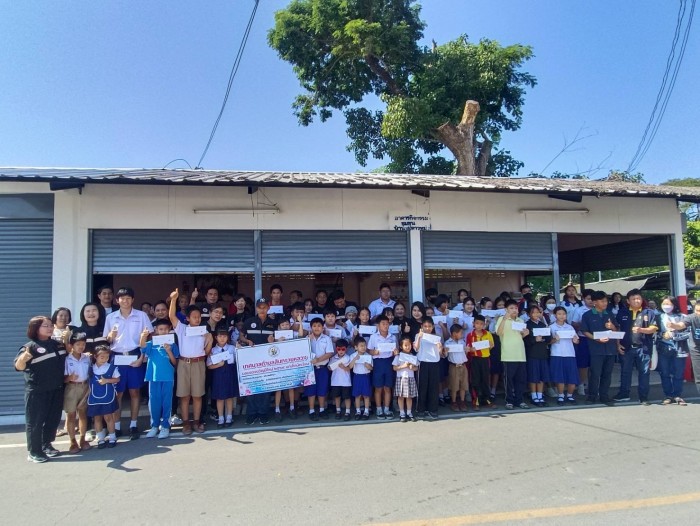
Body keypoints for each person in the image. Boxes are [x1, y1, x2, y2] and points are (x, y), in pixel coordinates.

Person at [103, 286, 153, 440]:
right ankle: (117, 426)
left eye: (128, 298)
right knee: (117, 393)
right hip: (117, 357)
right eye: (122, 298)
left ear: (133, 300)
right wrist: (110, 337)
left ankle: (133, 425)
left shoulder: (141, 315)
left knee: (134, 392)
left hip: (134, 356)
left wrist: (141, 358)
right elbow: (107, 341)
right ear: (117, 300)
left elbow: (148, 338)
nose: (125, 301)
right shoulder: (111, 317)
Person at [15, 316, 66, 463]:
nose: (50, 328)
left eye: (51, 325)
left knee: (52, 419)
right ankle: (34, 451)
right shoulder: (30, 347)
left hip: (56, 388)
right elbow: (19, 367)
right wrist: (23, 358)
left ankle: (46, 445)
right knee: (35, 422)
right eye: (45, 326)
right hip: (37, 391)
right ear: (36, 328)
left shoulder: (58, 345)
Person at [169, 288, 213, 434]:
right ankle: (186, 423)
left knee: (197, 395)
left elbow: (207, 352)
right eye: (194, 317)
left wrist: (210, 340)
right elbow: (172, 316)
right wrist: (173, 299)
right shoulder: (181, 328)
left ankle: (197, 421)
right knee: (184, 396)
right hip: (183, 364)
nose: (197, 319)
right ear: (187, 318)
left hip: (199, 363)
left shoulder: (204, 331)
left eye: (199, 317)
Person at [613, 289, 658, 405]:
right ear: (628, 301)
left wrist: (641, 330)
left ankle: (643, 397)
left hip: (643, 347)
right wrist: (617, 344)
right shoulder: (622, 312)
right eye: (633, 299)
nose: (636, 301)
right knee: (625, 372)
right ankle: (624, 394)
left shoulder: (649, 312)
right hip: (626, 347)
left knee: (644, 372)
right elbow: (617, 329)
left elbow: (653, 328)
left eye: (638, 298)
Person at [140, 319, 180, 438]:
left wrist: (169, 351)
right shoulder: (151, 343)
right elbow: (142, 347)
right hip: (153, 377)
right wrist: (143, 336)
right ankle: (154, 426)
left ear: (169, 330)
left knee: (166, 402)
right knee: (154, 402)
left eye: (166, 329)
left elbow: (175, 362)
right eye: (161, 329)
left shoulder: (172, 344)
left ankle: (165, 426)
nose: (163, 331)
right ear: (156, 330)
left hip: (168, 377)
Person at [240, 298, 278, 424]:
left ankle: (263, 413)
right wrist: (247, 341)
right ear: (256, 308)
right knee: (251, 387)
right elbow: (241, 335)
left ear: (268, 308)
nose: (262, 309)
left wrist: (274, 340)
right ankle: (252, 413)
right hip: (251, 360)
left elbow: (279, 339)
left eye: (264, 307)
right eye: (259, 307)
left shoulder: (273, 323)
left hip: (267, 360)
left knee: (265, 387)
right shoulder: (249, 321)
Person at [580, 291, 618, 406]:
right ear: (594, 302)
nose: (605, 303)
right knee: (595, 374)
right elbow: (584, 331)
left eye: (606, 301)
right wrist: (596, 338)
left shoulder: (609, 314)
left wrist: (612, 327)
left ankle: (604, 396)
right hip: (596, 349)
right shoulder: (587, 315)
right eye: (602, 301)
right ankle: (592, 396)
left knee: (607, 374)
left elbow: (616, 330)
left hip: (610, 348)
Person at [655, 296, 690, 406]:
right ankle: (668, 395)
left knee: (678, 373)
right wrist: (662, 335)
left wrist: (674, 335)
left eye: (668, 304)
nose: (666, 306)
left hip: (679, 349)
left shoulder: (683, 317)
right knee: (664, 373)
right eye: (664, 304)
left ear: (674, 305)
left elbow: (688, 333)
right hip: (663, 349)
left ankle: (677, 395)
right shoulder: (658, 317)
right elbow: (655, 332)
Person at [496, 299, 530, 410]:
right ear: (506, 310)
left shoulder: (520, 320)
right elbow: (498, 332)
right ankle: (509, 401)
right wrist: (504, 319)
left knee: (521, 380)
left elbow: (521, 335)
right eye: (511, 308)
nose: (514, 310)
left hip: (520, 354)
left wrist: (525, 334)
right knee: (509, 380)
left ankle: (519, 400)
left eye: (515, 308)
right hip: (508, 354)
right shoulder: (501, 319)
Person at [86, 345, 120, 449]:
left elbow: (117, 379)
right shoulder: (90, 368)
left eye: (107, 357)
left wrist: (107, 381)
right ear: (95, 357)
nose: (105, 359)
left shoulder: (111, 367)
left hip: (108, 397)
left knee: (108, 417)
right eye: (102, 357)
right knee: (97, 418)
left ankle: (112, 437)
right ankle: (100, 439)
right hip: (94, 397)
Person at [63, 331, 91, 453]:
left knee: (83, 414)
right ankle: (72, 441)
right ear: (71, 345)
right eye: (78, 344)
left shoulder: (87, 358)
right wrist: (69, 378)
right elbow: (63, 378)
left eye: (83, 344)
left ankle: (83, 439)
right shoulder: (66, 359)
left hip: (84, 387)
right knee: (71, 415)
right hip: (71, 388)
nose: (81, 347)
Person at [414, 317, 445, 419]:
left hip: (434, 363)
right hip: (423, 363)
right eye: (425, 326)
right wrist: (419, 337)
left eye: (429, 326)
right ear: (422, 326)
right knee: (422, 387)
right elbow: (416, 348)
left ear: (433, 327)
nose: (427, 328)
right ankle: (421, 409)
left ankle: (433, 409)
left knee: (433, 387)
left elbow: (440, 353)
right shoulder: (418, 335)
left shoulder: (437, 337)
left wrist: (440, 347)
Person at [368, 314, 398, 419]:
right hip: (378, 363)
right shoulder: (373, 337)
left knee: (388, 387)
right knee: (378, 388)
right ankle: (379, 409)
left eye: (387, 324)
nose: (385, 326)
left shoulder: (392, 337)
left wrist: (395, 352)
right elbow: (369, 350)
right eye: (383, 324)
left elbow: (396, 351)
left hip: (389, 362)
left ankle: (387, 409)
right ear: (378, 325)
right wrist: (374, 352)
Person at [667, 301, 700, 396]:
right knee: (699, 376)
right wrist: (673, 325)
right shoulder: (691, 317)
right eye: (697, 310)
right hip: (696, 349)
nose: (699, 313)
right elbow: (681, 325)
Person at [549, 306, 580, 405]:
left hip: (570, 354)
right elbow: (548, 342)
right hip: (557, 354)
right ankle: (561, 395)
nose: (562, 316)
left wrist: (576, 340)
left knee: (572, 376)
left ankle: (570, 395)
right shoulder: (551, 327)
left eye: (563, 314)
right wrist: (554, 339)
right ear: (555, 315)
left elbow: (577, 340)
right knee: (559, 376)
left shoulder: (570, 327)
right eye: (559, 314)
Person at [207, 328, 237, 428]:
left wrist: (240, 349)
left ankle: (229, 417)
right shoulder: (213, 350)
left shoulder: (232, 348)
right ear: (216, 337)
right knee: (219, 398)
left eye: (224, 336)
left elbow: (238, 359)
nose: (222, 338)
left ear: (228, 337)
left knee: (229, 397)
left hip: (230, 374)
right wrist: (218, 365)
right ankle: (220, 418)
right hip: (218, 376)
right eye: (220, 336)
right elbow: (209, 365)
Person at [305, 318, 334, 421]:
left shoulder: (327, 338)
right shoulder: (307, 338)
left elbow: (329, 353)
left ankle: (322, 410)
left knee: (322, 389)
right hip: (310, 369)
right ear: (311, 328)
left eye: (319, 326)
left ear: (322, 328)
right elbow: (302, 352)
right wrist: (308, 340)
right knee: (311, 390)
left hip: (322, 368)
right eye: (314, 326)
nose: (316, 328)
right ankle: (311, 411)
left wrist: (318, 360)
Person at [524, 305, 552, 407]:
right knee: (533, 376)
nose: (536, 314)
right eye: (533, 312)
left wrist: (546, 333)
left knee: (541, 376)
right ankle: (533, 396)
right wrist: (534, 340)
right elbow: (525, 341)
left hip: (542, 353)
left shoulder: (542, 324)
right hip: (532, 353)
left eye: (538, 312)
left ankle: (540, 395)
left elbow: (548, 339)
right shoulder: (526, 325)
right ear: (529, 314)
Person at [466, 314, 495, 410]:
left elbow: (491, 346)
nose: (479, 325)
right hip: (475, 359)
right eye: (477, 323)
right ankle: (476, 400)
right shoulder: (470, 335)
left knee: (485, 379)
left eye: (481, 324)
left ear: (484, 325)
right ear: (473, 324)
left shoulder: (488, 334)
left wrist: (490, 345)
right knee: (475, 380)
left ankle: (487, 399)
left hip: (485, 359)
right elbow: (468, 348)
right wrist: (471, 349)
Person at [571, 289, 593, 396]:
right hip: (583, 338)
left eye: (592, 299)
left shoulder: (599, 309)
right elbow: (573, 324)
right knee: (583, 364)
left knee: (595, 364)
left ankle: (593, 386)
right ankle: (581, 384)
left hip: (597, 339)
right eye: (588, 299)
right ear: (583, 299)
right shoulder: (579, 310)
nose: (591, 301)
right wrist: (583, 323)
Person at [392, 336, 418, 422]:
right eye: (405, 345)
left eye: (409, 345)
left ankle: (409, 412)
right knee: (401, 396)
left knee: (409, 397)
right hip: (401, 378)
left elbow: (416, 368)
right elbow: (394, 368)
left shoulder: (413, 356)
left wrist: (412, 367)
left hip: (410, 378)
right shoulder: (398, 356)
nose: (408, 347)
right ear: (401, 346)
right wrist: (402, 366)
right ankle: (402, 413)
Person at [445, 324, 469, 412]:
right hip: (454, 366)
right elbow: (445, 355)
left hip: (463, 365)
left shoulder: (462, 342)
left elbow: (464, 354)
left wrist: (467, 351)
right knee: (454, 385)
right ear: (454, 333)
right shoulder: (448, 343)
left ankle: (462, 401)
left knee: (463, 385)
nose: (462, 334)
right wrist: (445, 351)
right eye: (461, 333)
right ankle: (454, 402)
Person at [328, 339, 353, 421]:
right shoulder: (333, 358)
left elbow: (349, 369)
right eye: (339, 349)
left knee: (347, 397)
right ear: (336, 349)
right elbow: (329, 367)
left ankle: (347, 412)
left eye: (343, 349)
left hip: (346, 382)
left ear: (346, 349)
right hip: (335, 381)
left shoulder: (348, 358)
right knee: (337, 396)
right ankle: (338, 411)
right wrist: (332, 367)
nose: (341, 351)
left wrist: (344, 367)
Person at [349, 336, 373, 420]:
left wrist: (367, 365)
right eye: (361, 346)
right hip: (357, 376)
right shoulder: (353, 355)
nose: (363, 347)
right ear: (356, 347)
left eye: (364, 345)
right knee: (357, 395)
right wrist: (355, 359)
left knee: (366, 395)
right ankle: (358, 411)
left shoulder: (368, 356)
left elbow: (371, 368)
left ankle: (366, 411)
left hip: (365, 376)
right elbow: (350, 367)